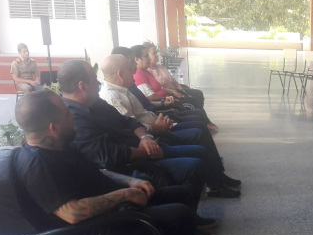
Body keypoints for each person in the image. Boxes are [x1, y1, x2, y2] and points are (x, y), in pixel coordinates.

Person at [12, 90, 220, 235]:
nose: (72, 115)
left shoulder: (60, 146)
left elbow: (98, 171)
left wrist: (129, 182)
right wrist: (124, 195)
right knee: (178, 215)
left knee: (179, 194)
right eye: (67, 114)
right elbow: (72, 213)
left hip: (109, 212)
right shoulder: (38, 165)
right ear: (52, 128)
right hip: (90, 234)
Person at [57, 59, 216, 215]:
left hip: (145, 147)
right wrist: (146, 151)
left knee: (199, 151)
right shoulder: (75, 119)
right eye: (94, 79)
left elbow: (128, 120)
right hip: (130, 165)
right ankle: (187, 218)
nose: (99, 83)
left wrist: (145, 137)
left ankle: (192, 210)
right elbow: (107, 156)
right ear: (82, 86)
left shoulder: (96, 103)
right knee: (194, 165)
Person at [98, 55, 241, 197]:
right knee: (197, 133)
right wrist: (154, 128)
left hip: (156, 126)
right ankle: (214, 184)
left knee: (200, 126)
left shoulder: (123, 90)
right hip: (155, 136)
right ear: (120, 74)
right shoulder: (112, 98)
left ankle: (218, 176)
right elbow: (130, 130)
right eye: (130, 69)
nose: (134, 72)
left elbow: (138, 117)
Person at [143, 41, 207, 111]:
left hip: (175, 90)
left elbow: (173, 81)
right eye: (154, 53)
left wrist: (182, 90)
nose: (157, 55)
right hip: (169, 95)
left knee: (198, 93)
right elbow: (157, 91)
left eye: (156, 52)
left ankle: (202, 116)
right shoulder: (148, 72)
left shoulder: (160, 67)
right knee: (192, 100)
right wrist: (174, 93)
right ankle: (200, 115)